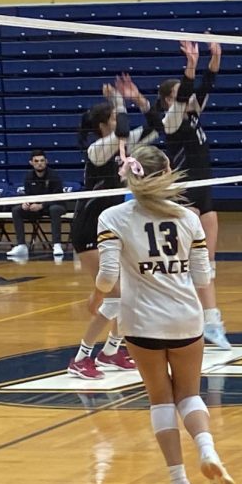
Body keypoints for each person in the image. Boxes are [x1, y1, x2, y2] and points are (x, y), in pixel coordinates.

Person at [89, 144, 234, 484]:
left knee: (160, 399)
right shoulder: (189, 218)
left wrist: (96, 299)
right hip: (186, 316)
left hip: (141, 321)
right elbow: (202, 276)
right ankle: (208, 449)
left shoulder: (113, 216)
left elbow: (107, 275)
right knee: (190, 394)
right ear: (168, 170)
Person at [67, 76, 159, 379]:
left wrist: (140, 101)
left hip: (109, 227)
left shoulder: (120, 145)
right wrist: (120, 103)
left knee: (128, 295)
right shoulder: (97, 150)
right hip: (88, 228)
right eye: (114, 117)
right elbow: (123, 130)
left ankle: (111, 351)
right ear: (104, 125)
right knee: (116, 297)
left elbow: (155, 129)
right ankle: (81, 357)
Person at [153, 40, 230, 350]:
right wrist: (190, 64)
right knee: (189, 264)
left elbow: (205, 85)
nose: (190, 98)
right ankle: (198, 318)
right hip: (184, 192)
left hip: (204, 187)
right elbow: (187, 92)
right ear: (170, 100)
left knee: (207, 265)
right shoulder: (170, 121)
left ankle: (209, 321)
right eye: (180, 97)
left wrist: (216, 56)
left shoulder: (194, 114)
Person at [7, 150, 66, 260]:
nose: (39, 163)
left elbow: (57, 197)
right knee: (17, 210)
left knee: (54, 209)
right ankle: (21, 245)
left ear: (46, 162)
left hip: (55, 205)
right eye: (36, 161)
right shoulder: (29, 176)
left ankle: (57, 245)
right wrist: (26, 203)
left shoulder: (54, 175)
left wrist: (42, 205)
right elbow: (28, 195)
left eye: (42, 160)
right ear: (31, 163)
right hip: (36, 207)